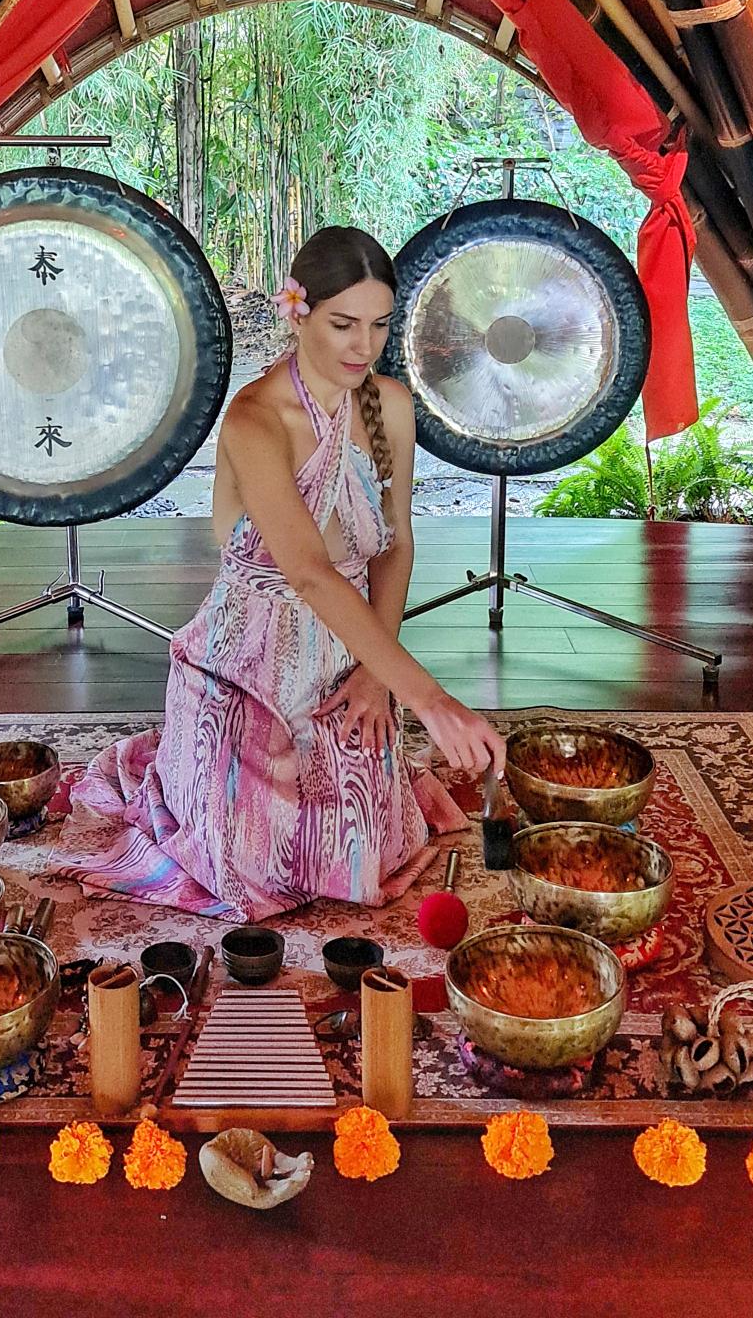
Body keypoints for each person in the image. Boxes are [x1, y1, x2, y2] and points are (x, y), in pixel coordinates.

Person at [59, 226, 506, 921]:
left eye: (380, 324)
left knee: (362, 848)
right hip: (243, 660)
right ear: (297, 314)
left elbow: (394, 547)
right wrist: (429, 698)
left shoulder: (387, 405)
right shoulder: (255, 418)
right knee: (248, 862)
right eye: (343, 325)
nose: (364, 346)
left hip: (346, 650)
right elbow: (309, 573)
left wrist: (376, 677)